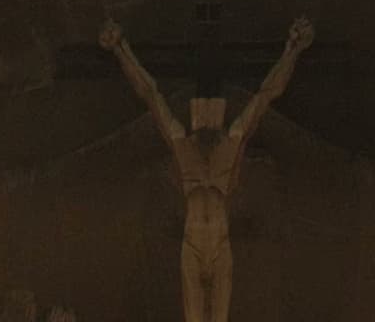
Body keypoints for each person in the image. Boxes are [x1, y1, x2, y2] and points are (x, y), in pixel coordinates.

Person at [99, 16, 313, 322]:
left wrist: (293, 49)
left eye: (208, 118)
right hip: (196, 245)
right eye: (202, 119)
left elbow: (267, 95)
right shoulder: (184, 143)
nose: (206, 123)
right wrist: (121, 49)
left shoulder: (231, 139)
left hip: (216, 245)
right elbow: (150, 94)